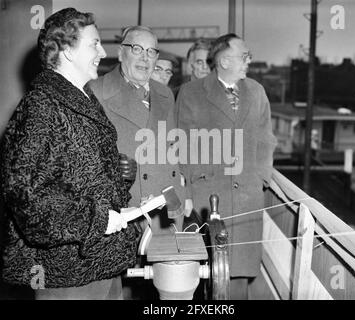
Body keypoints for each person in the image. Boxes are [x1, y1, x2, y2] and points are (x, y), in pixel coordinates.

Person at [0, 8, 137, 300]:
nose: (103, 51)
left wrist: (120, 177)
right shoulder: (42, 105)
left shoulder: (81, 97)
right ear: (67, 50)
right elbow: (23, 196)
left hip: (99, 263)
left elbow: (75, 175)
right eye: (94, 43)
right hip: (67, 273)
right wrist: (95, 219)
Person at [176, 33, 277, 299]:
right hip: (206, 200)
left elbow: (266, 139)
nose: (248, 62)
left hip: (246, 201)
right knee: (204, 279)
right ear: (222, 61)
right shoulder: (192, 92)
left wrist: (261, 178)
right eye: (243, 56)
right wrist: (187, 192)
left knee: (238, 280)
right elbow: (181, 146)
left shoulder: (256, 91)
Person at [90, 25, 190, 236]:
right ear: (120, 53)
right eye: (137, 49)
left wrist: (184, 193)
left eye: (151, 52)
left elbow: (175, 151)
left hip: (167, 210)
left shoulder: (165, 94)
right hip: (126, 212)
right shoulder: (96, 92)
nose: (145, 58)